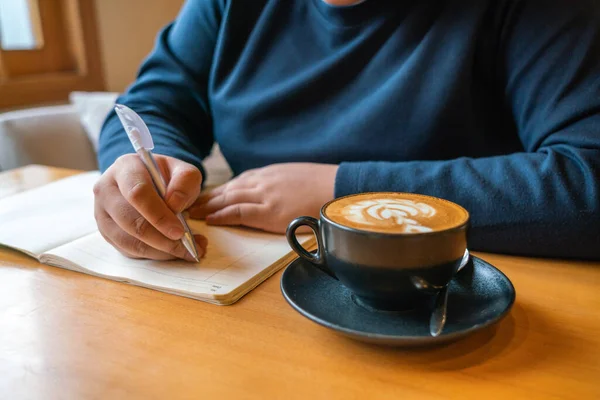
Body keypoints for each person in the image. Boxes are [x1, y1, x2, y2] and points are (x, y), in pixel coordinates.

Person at [94, 0, 600, 262]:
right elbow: (152, 102)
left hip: (450, 306)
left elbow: (587, 179)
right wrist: (144, 168)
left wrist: (346, 197)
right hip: (254, 289)